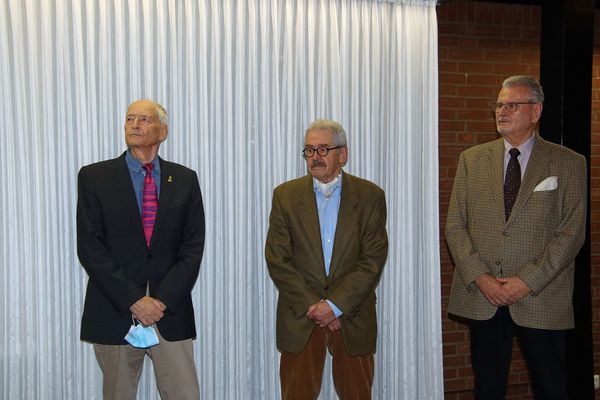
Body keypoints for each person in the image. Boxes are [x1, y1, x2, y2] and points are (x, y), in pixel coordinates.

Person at [446, 76, 587, 399]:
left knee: (551, 387)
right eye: (499, 104)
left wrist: (526, 281)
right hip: (484, 297)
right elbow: (455, 226)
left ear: (535, 111)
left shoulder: (568, 163)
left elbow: (571, 232)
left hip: (541, 296)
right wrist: (482, 279)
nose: (502, 111)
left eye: (512, 105)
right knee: (488, 388)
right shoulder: (472, 159)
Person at [77, 99, 205, 399]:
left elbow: (192, 248)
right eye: (130, 119)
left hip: (170, 313)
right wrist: (134, 300)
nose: (134, 125)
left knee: (185, 394)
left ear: (163, 131)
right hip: (114, 310)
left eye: (144, 120)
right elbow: (90, 247)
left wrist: (161, 301)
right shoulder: (95, 177)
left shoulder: (185, 179)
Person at [265, 119, 388, 400]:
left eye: (323, 150)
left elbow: (372, 259)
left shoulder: (370, 196)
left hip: (353, 316)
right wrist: (316, 306)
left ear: (342, 154)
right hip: (301, 316)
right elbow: (277, 258)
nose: (315, 158)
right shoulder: (285, 196)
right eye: (309, 150)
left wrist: (335, 305)